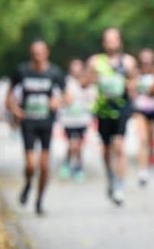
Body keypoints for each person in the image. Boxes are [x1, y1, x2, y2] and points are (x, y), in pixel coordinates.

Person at [7, 40, 66, 216]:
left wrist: (58, 101)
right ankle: (27, 183)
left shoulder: (55, 72)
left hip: (47, 122)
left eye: (40, 52)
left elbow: (67, 93)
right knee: (31, 165)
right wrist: (15, 109)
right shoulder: (22, 71)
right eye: (34, 52)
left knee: (45, 166)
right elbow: (9, 95)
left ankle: (39, 201)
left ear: (47, 52)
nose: (37, 56)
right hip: (28, 122)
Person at [88, 28, 138, 206]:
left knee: (119, 146)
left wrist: (129, 85)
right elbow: (85, 81)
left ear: (119, 41)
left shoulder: (128, 62)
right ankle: (110, 178)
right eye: (107, 40)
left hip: (122, 108)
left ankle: (119, 187)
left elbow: (134, 82)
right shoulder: (95, 61)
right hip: (103, 110)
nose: (111, 43)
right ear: (103, 42)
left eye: (114, 39)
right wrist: (95, 81)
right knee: (107, 149)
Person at [59, 59, 96, 182]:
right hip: (68, 119)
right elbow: (62, 99)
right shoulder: (66, 82)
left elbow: (93, 100)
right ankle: (67, 163)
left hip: (83, 120)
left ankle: (78, 167)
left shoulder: (89, 84)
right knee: (71, 144)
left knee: (79, 145)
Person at [132, 48, 154, 186]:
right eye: (144, 63)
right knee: (142, 139)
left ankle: (149, 161)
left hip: (153, 111)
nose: (146, 65)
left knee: (150, 139)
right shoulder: (136, 75)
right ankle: (142, 170)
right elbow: (131, 91)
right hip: (140, 110)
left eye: (149, 63)